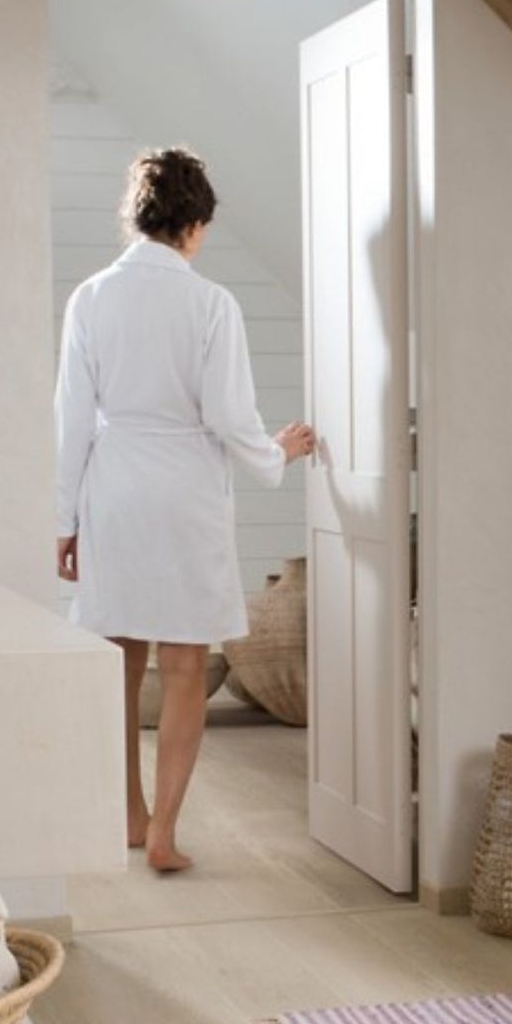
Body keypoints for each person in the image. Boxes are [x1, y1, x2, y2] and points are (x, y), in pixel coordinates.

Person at [54, 147, 314, 874]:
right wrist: (276, 452)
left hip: (113, 488)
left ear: (137, 218)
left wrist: (64, 521)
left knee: (119, 660)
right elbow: (229, 414)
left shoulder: (91, 297)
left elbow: (71, 418)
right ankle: (165, 832)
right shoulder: (211, 304)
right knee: (183, 664)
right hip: (185, 493)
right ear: (195, 224)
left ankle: (129, 816)